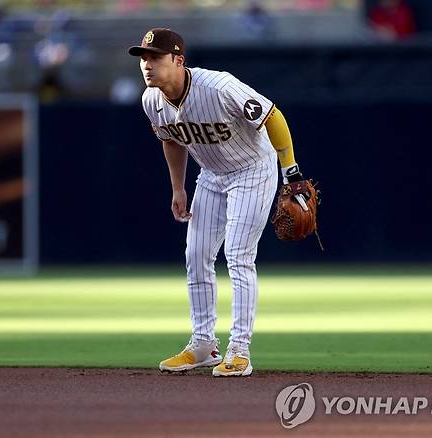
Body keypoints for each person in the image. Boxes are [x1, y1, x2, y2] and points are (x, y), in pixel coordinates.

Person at [129, 28, 305, 377]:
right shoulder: (152, 100)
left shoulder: (219, 87)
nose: (147, 64)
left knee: (238, 255)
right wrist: (178, 188)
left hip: (252, 170)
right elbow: (172, 140)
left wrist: (292, 173)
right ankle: (203, 344)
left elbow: (272, 115)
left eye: (155, 57)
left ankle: (239, 350)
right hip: (211, 174)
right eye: (143, 58)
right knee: (196, 255)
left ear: (178, 61)